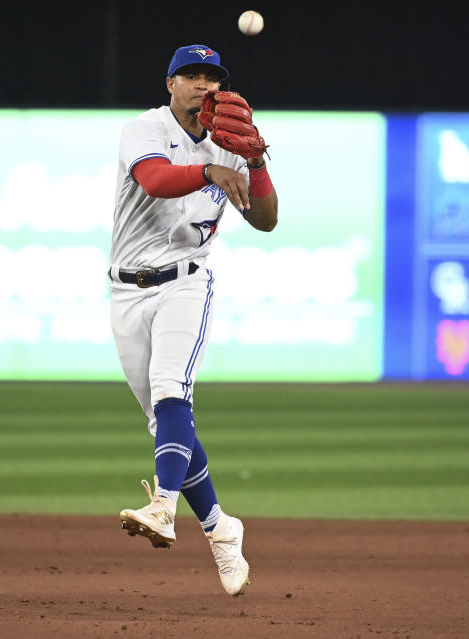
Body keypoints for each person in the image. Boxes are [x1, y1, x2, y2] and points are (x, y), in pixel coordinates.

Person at [110, 44, 278, 596]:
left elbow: (267, 221)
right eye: (191, 76)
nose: (203, 85)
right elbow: (156, 181)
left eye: (212, 78)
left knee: (170, 393)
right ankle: (221, 530)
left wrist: (253, 162)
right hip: (127, 290)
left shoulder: (231, 147)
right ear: (170, 84)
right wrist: (210, 167)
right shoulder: (146, 129)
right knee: (165, 423)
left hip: (187, 281)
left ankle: (162, 507)